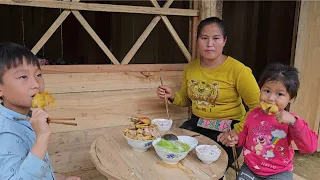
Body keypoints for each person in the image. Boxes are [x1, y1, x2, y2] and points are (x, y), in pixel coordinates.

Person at [156, 17, 261, 171]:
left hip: (227, 130)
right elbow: (186, 99)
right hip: (196, 124)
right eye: (204, 38)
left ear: (224, 41)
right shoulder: (191, 68)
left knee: (208, 169)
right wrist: (172, 96)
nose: (209, 44)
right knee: (173, 155)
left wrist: (237, 131)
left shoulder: (239, 71)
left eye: (216, 38)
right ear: (197, 40)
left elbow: (258, 108)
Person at [0, 43, 80, 180]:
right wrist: (42, 137)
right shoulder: (6, 132)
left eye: (38, 74)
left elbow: (28, 163)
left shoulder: (27, 116)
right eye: (23, 77)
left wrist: (55, 177)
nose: (36, 84)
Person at [226, 63, 318, 180]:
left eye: (280, 94)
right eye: (267, 91)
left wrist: (294, 122)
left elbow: (310, 147)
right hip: (251, 168)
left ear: (291, 98)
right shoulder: (252, 114)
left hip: (279, 172)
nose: (270, 98)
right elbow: (245, 135)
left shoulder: (291, 120)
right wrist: (236, 139)